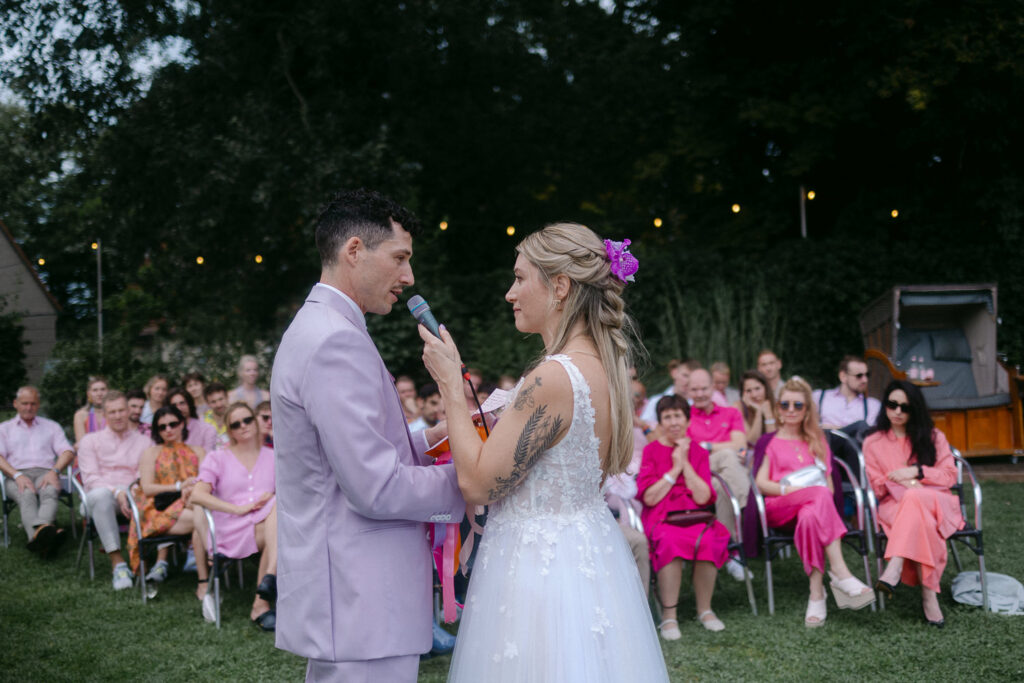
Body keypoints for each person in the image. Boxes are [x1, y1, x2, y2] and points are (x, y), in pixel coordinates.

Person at [420, 224, 669, 681]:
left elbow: (477, 482)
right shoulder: (605, 369)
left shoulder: (550, 378)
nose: (510, 292)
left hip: (541, 569)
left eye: (519, 278)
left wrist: (452, 387)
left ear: (559, 287)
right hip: (591, 554)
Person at [271, 188, 463, 682]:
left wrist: (441, 437)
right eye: (400, 258)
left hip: (351, 595)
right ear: (354, 250)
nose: (409, 277)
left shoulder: (323, 326)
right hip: (361, 595)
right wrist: (472, 480)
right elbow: (374, 487)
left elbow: (352, 454)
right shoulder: (335, 339)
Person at [754, 377, 875, 626]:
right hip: (779, 506)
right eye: (784, 404)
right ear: (777, 408)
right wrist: (790, 488)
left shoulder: (817, 440)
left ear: (807, 409)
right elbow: (761, 483)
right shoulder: (770, 441)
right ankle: (840, 572)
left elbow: (829, 487)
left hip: (812, 511)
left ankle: (816, 594)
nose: (790, 410)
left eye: (797, 405)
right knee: (817, 494)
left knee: (810, 516)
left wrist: (809, 495)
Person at [864, 380, 963, 627]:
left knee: (915, 500)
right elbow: (875, 485)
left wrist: (917, 472)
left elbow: (950, 476)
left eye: (904, 407)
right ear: (885, 405)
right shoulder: (873, 442)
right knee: (919, 516)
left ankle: (895, 565)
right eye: (892, 404)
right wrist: (900, 484)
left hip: (936, 501)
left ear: (915, 409)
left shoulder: (933, 436)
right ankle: (929, 596)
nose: (897, 411)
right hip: (893, 504)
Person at [638, 395, 730, 636]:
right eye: (667, 417)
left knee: (708, 540)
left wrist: (685, 462)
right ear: (660, 422)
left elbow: (703, 498)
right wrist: (675, 468)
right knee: (669, 541)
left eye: (678, 415)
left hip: (695, 516)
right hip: (662, 517)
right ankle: (669, 616)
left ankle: (705, 610)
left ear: (687, 420)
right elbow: (649, 497)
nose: (673, 422)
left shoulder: (698, 452)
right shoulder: (651, 451)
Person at [191, 402, 278, 629]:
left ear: (256, 421)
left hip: (265, 523)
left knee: (280, 517)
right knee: (281, 527)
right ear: (229, 430)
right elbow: (197, 495)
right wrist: (237, 509)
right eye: (236, 424)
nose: (243, 426)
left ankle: (263, 597)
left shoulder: (273, 456)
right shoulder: (217, 458)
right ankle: (267, 590)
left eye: (247, 420)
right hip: (228, 527)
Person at [76, 391, 150, 589]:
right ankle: (118, 563)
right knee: (101, 496)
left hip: (133, 496)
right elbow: (91, 479)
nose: (118, 416)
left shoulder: (144, 442)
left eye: (121, 410)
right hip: (98, 498)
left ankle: (155, 562)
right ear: (104, 415)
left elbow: (143, 475)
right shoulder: (90, 441)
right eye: (112, 412)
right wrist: (117, 491)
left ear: (128, 411)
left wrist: (129, 492)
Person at [126, 406, 206, 582]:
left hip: (191, 502)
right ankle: (207, 567)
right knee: (206, 518)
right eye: (162, 427)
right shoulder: (151, 453)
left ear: (182, 424)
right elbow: (147, 488)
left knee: (202, 512)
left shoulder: (197, 451)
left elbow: (206, 481)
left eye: (173, 424)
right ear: (157, 431)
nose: (168, 430)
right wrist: (179, 487)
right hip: (157, 511)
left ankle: (198, 564)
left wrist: (189, 490)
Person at [686, 368, 751, 581]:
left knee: (721, 486)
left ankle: (729, 552)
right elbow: (690, 452)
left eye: (704, 388)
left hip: (721, 478)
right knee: (727, 456)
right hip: (698, 473)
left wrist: (706, 445)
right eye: (694, 389)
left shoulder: (730, 413)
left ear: (713, 388)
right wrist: (722, 447)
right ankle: (745, 506)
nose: (700, 393)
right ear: (688, 391)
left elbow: (741, 445)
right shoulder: (684, 417)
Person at [0, 386, 75, 556]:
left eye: (33, 404)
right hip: (15, 474)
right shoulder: (4, 429)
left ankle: (38, 539)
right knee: (26, 493)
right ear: (15, 404)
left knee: (48, 489)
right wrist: (17, 475)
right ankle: (46, 536)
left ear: (38, 405)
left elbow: (67, 451)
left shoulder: (51, 426)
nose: (28, 407)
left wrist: (54, 471)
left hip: (46, 472)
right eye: (24, 403)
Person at [640, 358, 699, 425]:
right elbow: (643, 427)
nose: (688, 381)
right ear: (674, 373)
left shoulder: (699, 405)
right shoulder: (655, 401)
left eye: (692, 377)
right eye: (685, 375)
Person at [167, 387, 218, 454]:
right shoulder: (165, 431)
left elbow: (208, 458)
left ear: (189, 405)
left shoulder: (207, 430)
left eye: (182, 403)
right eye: (174, 405)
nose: (179, 408)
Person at [734, 370, 777, 448]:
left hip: (770, 453)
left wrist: (768, 415)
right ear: (742, 393)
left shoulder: (775, 405)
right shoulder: (738, 407)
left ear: (765, 388)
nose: (754, 395)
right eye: (748, 391)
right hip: (746, 454)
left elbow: (773, 442)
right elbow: (751, 442)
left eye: (757, 389)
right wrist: (759, 413)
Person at [73, 375, 108, 444]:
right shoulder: (81, 415)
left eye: (103, 389)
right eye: (95, 390)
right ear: (88, 394)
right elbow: (81, 443)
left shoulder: (116, 413)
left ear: (108, 392)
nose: (99, 393)